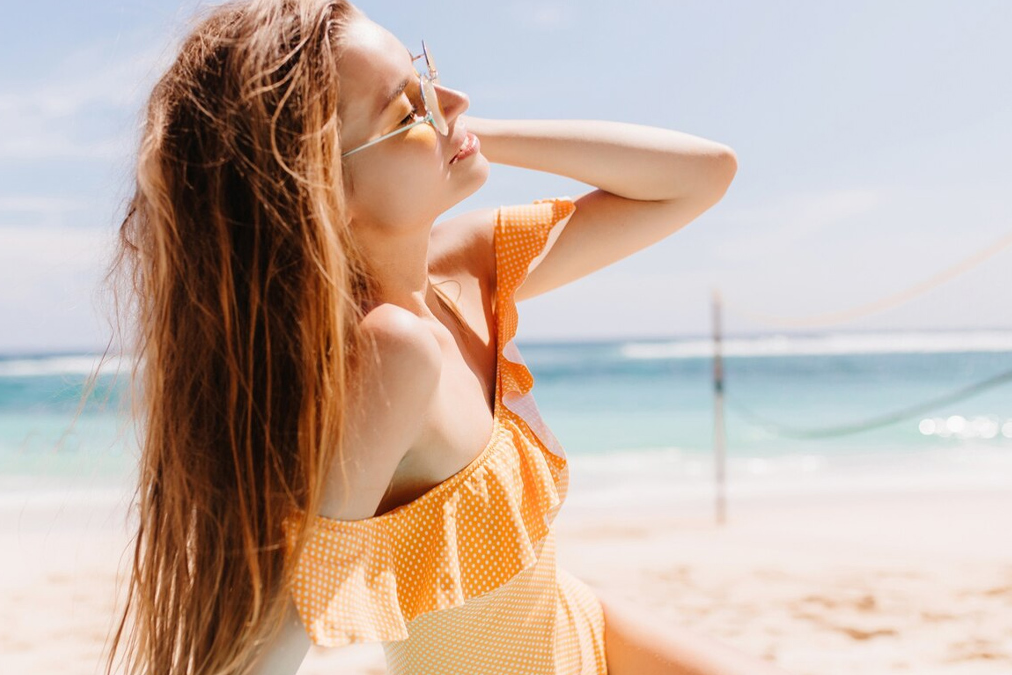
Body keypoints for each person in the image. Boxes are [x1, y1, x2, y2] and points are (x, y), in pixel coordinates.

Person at [87, 0, 783, 673]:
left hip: (583, 629)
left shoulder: (466, 267)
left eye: (425, 76)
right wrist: (437, 132)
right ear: (326, 191)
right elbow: (284, 619)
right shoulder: (391, 352)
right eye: (407, 108)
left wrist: (453, 129)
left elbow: (701, 174)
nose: (455, 98)